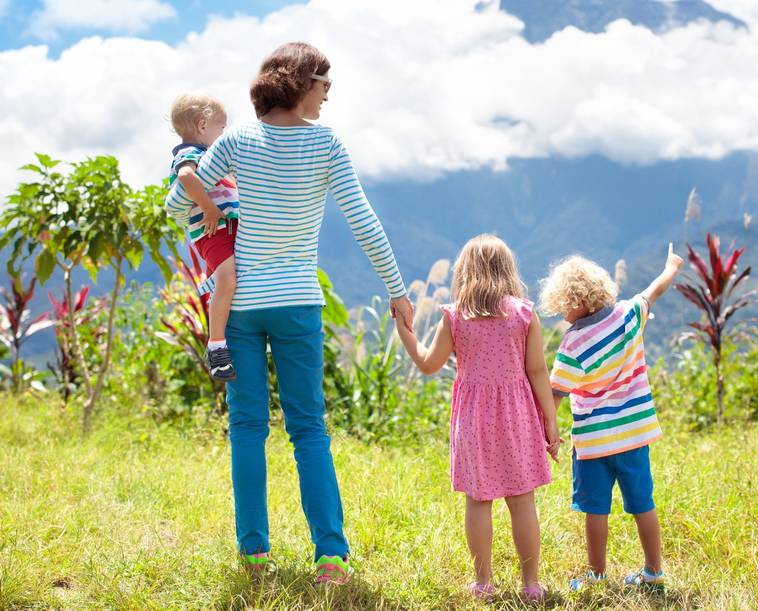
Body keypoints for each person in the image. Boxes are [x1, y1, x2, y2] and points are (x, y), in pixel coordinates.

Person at [165, 42, 414, 584]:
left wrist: (210, 208)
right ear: (303, 83)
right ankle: (331, 556)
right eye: (325, 84)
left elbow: (176, 203)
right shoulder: (326, 143)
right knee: (309, 430)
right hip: (297, 303)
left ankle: (254, 554)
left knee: (247, 428)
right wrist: (397, 291)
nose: (328, 95)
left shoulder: (236, 140)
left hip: (240, 306)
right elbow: (364, 222)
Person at [395, 234, 561, 602]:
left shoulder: (456, 316)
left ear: (464, 272)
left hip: (473, 421)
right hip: (518, 416)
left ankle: (484, 582)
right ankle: (530, 584)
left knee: (478, 500)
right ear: (507, 270)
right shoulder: (524, 314)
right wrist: (550, 421)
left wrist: (403, 331)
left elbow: (428, 364)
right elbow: (537, 371)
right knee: (522, 500)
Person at [541, 244, 683, 591]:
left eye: (564, 307)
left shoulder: (573, 344)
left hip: (594, 443)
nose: (563, 315)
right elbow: (654, 291)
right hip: (634, 436)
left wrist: (546, 433)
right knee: (643, 503)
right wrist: (670, 268)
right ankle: (653, 572)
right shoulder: (629, 314)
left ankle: (596, 576)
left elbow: (555, 394)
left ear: (577, 301)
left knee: (596, 509)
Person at [168, 93, 239, 381]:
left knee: (224, 284)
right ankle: (217, 345)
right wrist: (209, 208)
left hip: (224, 229)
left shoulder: (209, 157)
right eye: (221, 128)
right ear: (202, 125)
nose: (223, 134)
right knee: (227, 281)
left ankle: (226, 333)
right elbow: (186, 177)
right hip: (213, 230)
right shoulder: (190, 154)